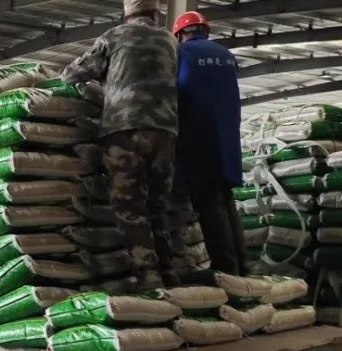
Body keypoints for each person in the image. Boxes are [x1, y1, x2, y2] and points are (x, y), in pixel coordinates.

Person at [61, 0, 180, 290]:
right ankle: (170, 272)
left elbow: (72, 74)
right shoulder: (170, 41)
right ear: (155, 13)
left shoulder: (113, 37)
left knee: (130, 206)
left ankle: (149, 276)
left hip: (124, 129)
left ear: (125, 14)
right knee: (158, 206)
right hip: (165, 130)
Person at [172, 11, 247, 275]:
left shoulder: (181, 53)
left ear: (179, 34)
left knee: (208, 204)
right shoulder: (227, 55)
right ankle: (242, 265)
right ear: (205, 30)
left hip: (198, 138)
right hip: (227, 141)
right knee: (225, 200)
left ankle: (226, 270)